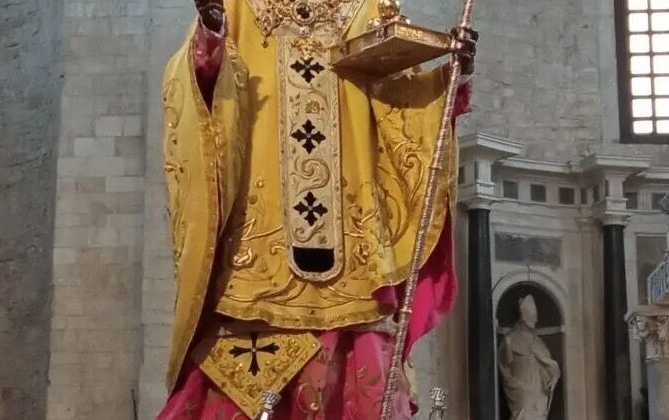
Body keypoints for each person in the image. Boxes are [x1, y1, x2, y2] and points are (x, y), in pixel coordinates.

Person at [157, 0, 477, 417]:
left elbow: (401, 105)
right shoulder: (237, 5)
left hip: (354, 255)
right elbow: (201, 91)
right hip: (257, 258)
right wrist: (210, 35)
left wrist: (454, 75)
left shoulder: (367, 7)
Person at [498, 295, 561, 420]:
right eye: (532, 317)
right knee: (524, 408)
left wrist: (553, 376)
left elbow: (549, 363)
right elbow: (505, 364)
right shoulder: (510, 337)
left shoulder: (538, 341)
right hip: (520, 385)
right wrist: (508, 347)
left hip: (538, 387)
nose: (535, 320)